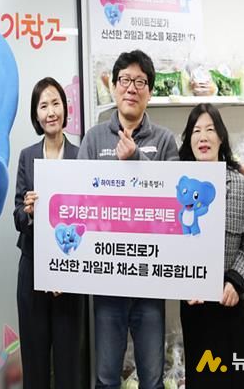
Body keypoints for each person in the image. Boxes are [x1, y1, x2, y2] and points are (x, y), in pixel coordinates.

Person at [78, 50, 179, 389]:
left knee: (152, 379)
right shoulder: (94, 138)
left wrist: (137, 160)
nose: (131, 88)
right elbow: (78, 198)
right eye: (124, 80)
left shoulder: (164, 140)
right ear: (113, 86)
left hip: (151, 279)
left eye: (140, 82)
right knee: (107, 377)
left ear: (149, 91)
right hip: (108, 280)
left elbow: (176, 199)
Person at [178, 103, 244, 389]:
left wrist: (235, 281)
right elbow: (168, 246)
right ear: (189, 140)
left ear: (221, 137)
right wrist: (183, 283)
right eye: (196, 131)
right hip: (195, 308)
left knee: (237, 379)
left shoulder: (240, 186)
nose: (203, 137)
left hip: (230, 304)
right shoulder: (176, 187)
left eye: (210, 130)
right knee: (203, 378)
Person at [13, 77, 88, 389]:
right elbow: (17, 216)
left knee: (69, 362)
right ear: (36, 114)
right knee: (35, 360)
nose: (51, 112)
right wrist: (28, 212)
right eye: (43, 106)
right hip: (32, 269)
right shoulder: (27, 156)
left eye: (55, 103)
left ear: (65, 109)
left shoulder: (81, 155)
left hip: (70, 272)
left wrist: (64, 272)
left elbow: (88, 215)